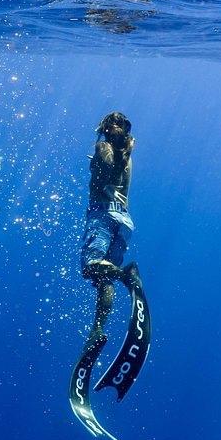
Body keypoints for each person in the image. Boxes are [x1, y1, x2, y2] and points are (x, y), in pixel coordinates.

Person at [80, 111, 137, 346]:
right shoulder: (128, 156)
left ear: (104, 128)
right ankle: (97, 330)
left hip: (103, 212)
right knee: (104, 279)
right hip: (124, 221)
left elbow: (105, 167)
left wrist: (97, 169)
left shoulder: (103, 146)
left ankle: (126, 274)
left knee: (91, 266)